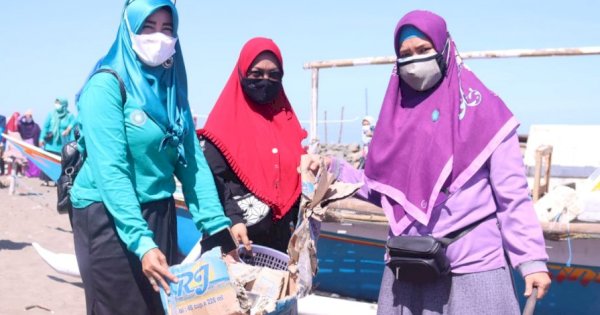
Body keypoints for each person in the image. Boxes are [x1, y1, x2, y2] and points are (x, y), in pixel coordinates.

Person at [310, 10, 551, 315]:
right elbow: (381, 189)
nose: (415, 61)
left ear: (445, 49)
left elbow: (513, 196)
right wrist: (332, 168)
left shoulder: (486, 113)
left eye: (424, 50)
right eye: (405, 54)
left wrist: (531, 260)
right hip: (407, 270)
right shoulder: (393, 123)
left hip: (473, 273)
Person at [70, 1, 235, 314]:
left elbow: (193, 163)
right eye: (148, 27)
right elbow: (112, 172)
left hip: (159, 212)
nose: (158, 36)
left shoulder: (172, 91)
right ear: (129, 29)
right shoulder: (105, 86)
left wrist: (216, 229)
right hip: (108, 216)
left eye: (167, 28)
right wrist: (142, 243)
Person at [198, 37, 307, 253]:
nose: (265, 81)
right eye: (256, 74)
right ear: (242, 73)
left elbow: (295, 177)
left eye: (274, 75)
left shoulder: (287, 122)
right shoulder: (222, 124)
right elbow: (212, 180)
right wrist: (233, 219)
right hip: (235, 239)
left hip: (280, 243)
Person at [39, 97, 76, 185]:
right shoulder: (51, 114)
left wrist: (69, 131)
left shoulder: (70, 116)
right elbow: (45, 127)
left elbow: (74, 126)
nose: (57, 105)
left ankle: (57, 180)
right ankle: (46, 181)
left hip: (62, 144)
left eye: (59, 103)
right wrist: (41, 138)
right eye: (56, 103)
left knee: (59, 164)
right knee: (48, 161)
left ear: (64, 105)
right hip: (50, 144)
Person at [17, 110, 42, 177]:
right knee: (26, 160)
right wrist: (24, 115)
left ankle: (34, 174)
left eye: (29, 116)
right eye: (27, 116)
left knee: (33, 160)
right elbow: (18, 122)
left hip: (33, 144)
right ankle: (27, 174)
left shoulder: (35, 126)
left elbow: (39, 135)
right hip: (25, 144)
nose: (28, 117)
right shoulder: (22, 125)